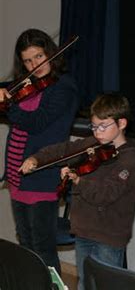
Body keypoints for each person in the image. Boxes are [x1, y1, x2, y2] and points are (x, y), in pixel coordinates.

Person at [19, 94, 135, 290]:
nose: (97, 132)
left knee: (105, 286)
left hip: (108, 236)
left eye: (103, 126)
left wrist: (78, 180)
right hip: (84, 229)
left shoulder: (130, 160)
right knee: (85, 283)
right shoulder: (92, 145)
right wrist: (37, 159)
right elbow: (63, 150)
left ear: (121, 123)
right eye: (94, 126)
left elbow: (106, 194)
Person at [0, 28, 80, 274]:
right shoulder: (28, 85)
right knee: (25, 246)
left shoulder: (64, 87)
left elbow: (37, 122)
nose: (34, 64)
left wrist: (7, 106)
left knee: (43, 248)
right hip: (18, 177)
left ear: (50, 54)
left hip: (42, 176)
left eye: (38, 56)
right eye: (27, 60)